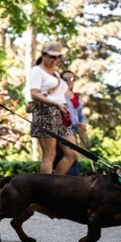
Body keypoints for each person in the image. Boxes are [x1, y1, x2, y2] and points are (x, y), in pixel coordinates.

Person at [27, 40, 77, 174]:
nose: (55, 59)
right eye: (52, 56)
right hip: (45, 112)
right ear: (43, 55)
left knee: (71, 153)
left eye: (58, 56)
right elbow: (34, 94)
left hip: (61, 112)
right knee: (50, 155)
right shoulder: (37, 71)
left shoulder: (55, 74)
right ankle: (47, 189)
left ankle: (56, 185)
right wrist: (56, 104)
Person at [58, 69, 86, 176]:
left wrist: (82, 123)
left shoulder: (77, 96)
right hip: (62, 129)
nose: (69, 80)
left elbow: (80, 113)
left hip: (73, 131)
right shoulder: (58, 94)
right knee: (70, 154)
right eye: (66, 78)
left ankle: (72, 185)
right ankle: (53, 182)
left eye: (72, 78)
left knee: (72, 159)